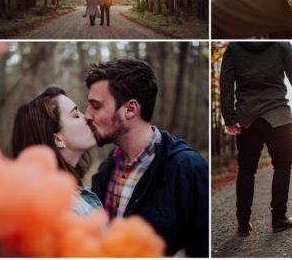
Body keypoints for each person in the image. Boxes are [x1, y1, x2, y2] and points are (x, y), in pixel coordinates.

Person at [85, 59, 208, 256]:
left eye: (96, 106)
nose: (87, 115)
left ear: (130, 109)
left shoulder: (188, 169)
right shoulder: (106, 169)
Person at [220, 42, 292, 236]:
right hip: (278, 115)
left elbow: (226, 83)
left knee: (246, 170)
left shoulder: (234, 46)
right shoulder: (281, 44)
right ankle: (279, 219)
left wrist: (230, 117)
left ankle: (243, 225)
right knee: (282, 166)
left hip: (247, 117)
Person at [11, 86, 102, 216]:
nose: (87, 117)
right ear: (57, 139)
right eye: (76, 115)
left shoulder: (75, 193)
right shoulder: (62, 208)